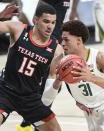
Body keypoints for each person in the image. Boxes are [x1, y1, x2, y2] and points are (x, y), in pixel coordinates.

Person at [0, 3, 64, 131]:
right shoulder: (18, 29)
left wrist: (58, 82)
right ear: (35, 20)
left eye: (53, 22)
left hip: (31, 97)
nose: (50, 26)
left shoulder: (56, 50)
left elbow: (51, 79)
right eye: (46, 21)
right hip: (5, 92)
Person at [45, 20, 104, 131]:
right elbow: (47, 99)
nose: (62, 43)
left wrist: (91, 78)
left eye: (66, 40)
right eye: (62, 39)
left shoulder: (100, 58)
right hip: (89, 112)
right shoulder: (59, 62)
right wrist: (58, 80)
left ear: (79, 40)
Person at [17, 0, 70, 130]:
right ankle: (31, 121)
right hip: (46, 44)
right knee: (47, 85)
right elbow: (41, 12)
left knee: (52, 86)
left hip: (56, 44)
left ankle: (30, 120)